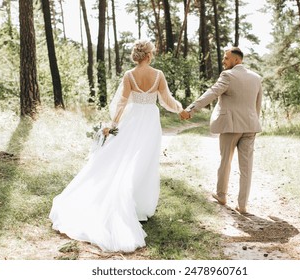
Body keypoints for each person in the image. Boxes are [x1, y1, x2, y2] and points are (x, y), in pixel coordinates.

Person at [49, 40, 183, 252]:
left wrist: (113, 125)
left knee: (125, 157)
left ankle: (131, 203)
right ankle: (137, 207)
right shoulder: (158, 75)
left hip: (132, 119)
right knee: (144, 162)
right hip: (149, 121)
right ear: (149, 55)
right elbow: (166, 100)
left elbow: (121, 103)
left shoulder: (130, 75)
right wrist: (180, 109)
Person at [180, 46, 263, 214]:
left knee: (226, 161)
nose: (223, 61)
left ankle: (222, 195)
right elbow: (257, 105)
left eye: (226, 58)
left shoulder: (228, 75)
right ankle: (243, 205)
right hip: (250, 126)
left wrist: (191, 109)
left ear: (237, 60)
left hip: (231, 126)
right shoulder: (256, 78)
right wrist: (254, 121)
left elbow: (211, 93)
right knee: (246, 167)